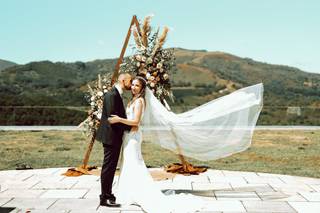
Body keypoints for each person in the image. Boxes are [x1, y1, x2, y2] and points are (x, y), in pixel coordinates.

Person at [108, 76, 205, 212]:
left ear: (142, 89)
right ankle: (129, 191)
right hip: (128, 136)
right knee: (128, 162)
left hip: (134, 137)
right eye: (133, 85)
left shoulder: (140, 101)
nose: (134, 87)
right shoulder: (133, 100)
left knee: (135, 162)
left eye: (137, 86)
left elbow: (136, 122)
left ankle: (141, 193)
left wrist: (119, 120)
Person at [95, 73, 132, 207]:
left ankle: (108, 194)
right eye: (130, 81)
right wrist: (130, 126)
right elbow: (112, 118)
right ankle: (104, 197)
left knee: (110, 167)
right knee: (108, 168)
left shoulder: (117, 93)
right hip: (111, 137)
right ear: (123, 80)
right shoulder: (112, 95)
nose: (131, 83)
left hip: (114, 136)